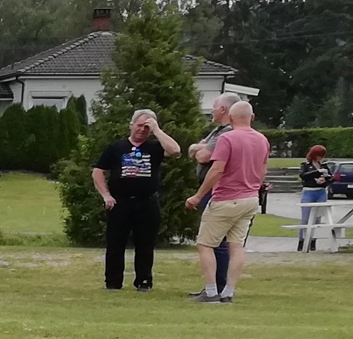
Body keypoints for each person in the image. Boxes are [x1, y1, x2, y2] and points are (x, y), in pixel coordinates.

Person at [91, 109, 181, 290]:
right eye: (139, 125)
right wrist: (106, 195)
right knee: (115, 244)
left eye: (147, 127)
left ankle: (144, 281)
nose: (142, 130)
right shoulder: (116, 147)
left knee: (145, 244)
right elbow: (98, 171)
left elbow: (175, 151)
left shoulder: (155, 147)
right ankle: (113, 282)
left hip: (147, 202)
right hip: (120, 202)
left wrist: (157, 130)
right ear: (131, 125)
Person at [187, 98, 266, 302]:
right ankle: (228, 292)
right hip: (250, 198)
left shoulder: (227, 138)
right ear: (252, 117)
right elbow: (262, 170)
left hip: (226, 198)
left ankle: (211, 291)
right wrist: (253, 188)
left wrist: (198, 196)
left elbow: (217, 169)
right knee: (236, 246)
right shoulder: (262, 139)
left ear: (230, 117)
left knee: (205, 244)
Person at [191, 96, 238, 294]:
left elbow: (203, 155)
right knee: (215, 240)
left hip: (216, 190)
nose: (212, 110)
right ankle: (215, 286)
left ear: (223, 109)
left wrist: (200, 148)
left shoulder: (228, 132)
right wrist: (199, 147)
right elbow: (194, 149)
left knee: (215, 241)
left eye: (214, 107)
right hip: (212, 189)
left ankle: (217, 286)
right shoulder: (217, 131)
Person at [296, 144, 331, 252]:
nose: (321, 157)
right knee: (305, 218)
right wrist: (317, 172)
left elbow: (331, 177)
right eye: (319, 155)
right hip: (309, 192)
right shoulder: (306, 165)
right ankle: (302, 241)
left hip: (321, 192)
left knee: (317, 218)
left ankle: (313, 241)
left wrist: (325, 180)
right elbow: (303, 175)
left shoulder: (324, 166)